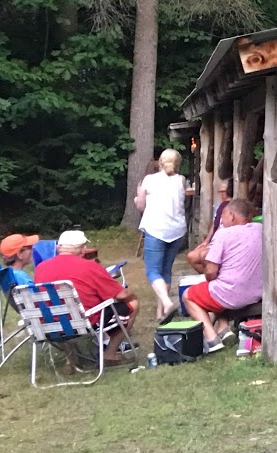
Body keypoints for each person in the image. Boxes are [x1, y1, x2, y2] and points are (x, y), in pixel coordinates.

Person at [34, 230, 140, 360]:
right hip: (82, 324)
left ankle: (71, 360)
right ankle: (110, 354)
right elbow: (122, 295)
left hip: (48, 326)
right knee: (132, 304)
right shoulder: (89, 266)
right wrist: (133, 295)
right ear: (83, 248)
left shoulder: (41, 268)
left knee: (62, 309)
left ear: (58, 247)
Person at [182, 199, 262, 353]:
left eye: (222, 217)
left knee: (188, 295)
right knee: (218, 291)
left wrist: (208, 269)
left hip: (232, 294)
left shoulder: (224, 234)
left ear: (231, 216)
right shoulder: (259, 229)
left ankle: (212, 339)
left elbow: (211, 273)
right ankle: (223, 328)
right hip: (256, 292)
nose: (221, 221)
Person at [135, 148, 191, 323]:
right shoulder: (181, 180)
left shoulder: (149, 180)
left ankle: (167, 303)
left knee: (153, 271)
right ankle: (161, 313)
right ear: (178, 163)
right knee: (166, 270)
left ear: (160, 162)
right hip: (176, 231)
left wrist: (138, 199)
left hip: (156, 229)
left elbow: (141, 206)